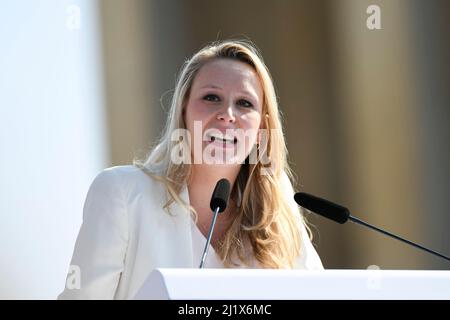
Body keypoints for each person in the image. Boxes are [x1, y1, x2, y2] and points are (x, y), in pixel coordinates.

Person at [58, 39, 323, 300]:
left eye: (245, 103)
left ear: (261, 128)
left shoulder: (278, 211)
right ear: (183, 109)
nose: (227, 114)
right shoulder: (121, 193)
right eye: (212, 97)